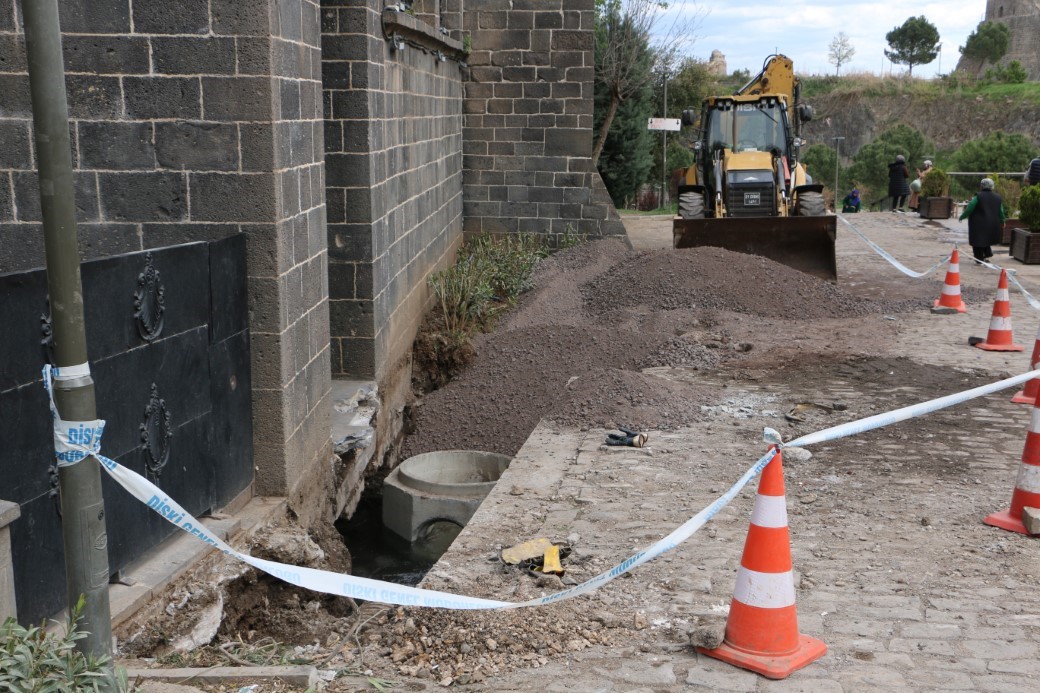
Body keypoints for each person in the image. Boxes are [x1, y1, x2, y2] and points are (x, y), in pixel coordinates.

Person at [958, 178, 1006, 262]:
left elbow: (970, 207)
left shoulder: (978, 196)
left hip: (978, 224)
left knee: (977, 240)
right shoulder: (998, 198)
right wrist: (1003, 221)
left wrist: (962, 216)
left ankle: (979, 258)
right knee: (986, 238)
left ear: (982, 186)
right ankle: (987, 253)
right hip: (992, 223)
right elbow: (1001, 211)